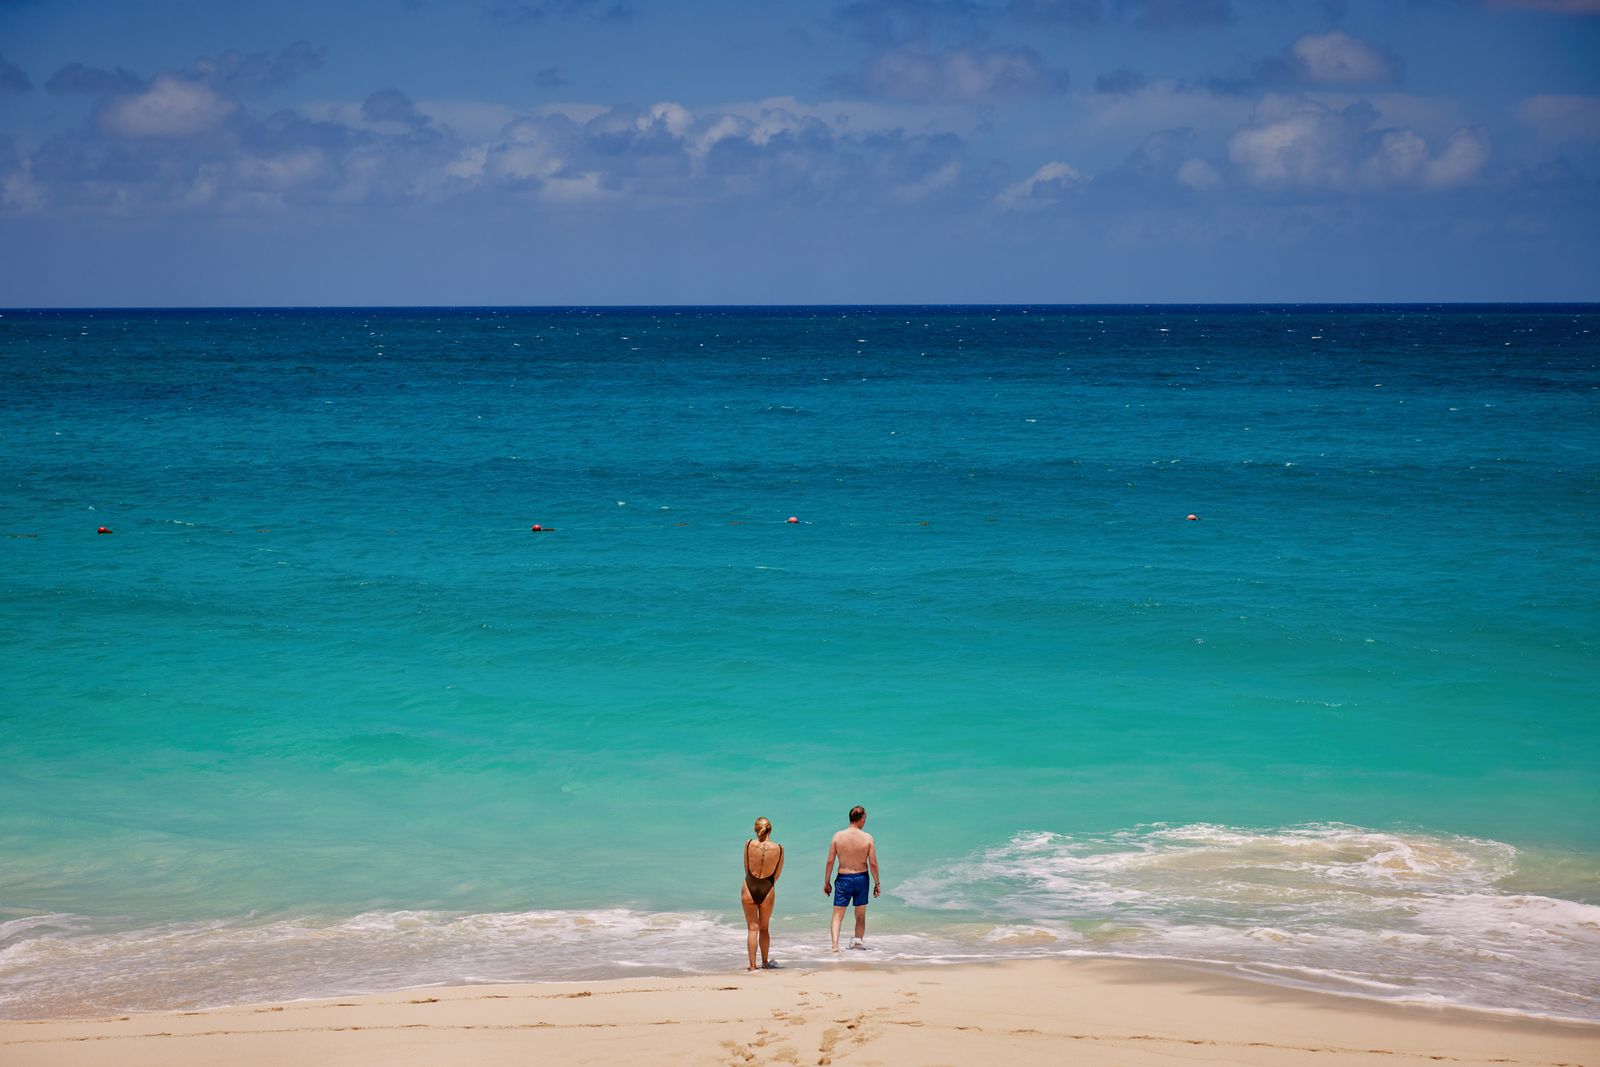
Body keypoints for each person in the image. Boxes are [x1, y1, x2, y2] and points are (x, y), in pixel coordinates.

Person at [822, 805, 880, 951]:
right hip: (861, 878)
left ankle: (835, 945)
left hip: (843, 878)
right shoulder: (867, 838)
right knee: (860, 915)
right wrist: (877, 883)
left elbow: (830, 861)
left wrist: (827, 881)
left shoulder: (837, 836)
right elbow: (873, 863)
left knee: (837, 915)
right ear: (861, 819)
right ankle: (858, 943)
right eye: (865, 819)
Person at [740, 816, 785, 971]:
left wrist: (754, 881)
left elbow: (746, 868)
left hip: (749, 885)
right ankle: (765, 963)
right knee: (764, 928)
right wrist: (766, 885)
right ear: (770, 829)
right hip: (767, 887)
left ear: (755, 829)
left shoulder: (748, 844)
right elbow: (777, 875)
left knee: (752, 928)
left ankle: (752, 966)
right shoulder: (779, 848)